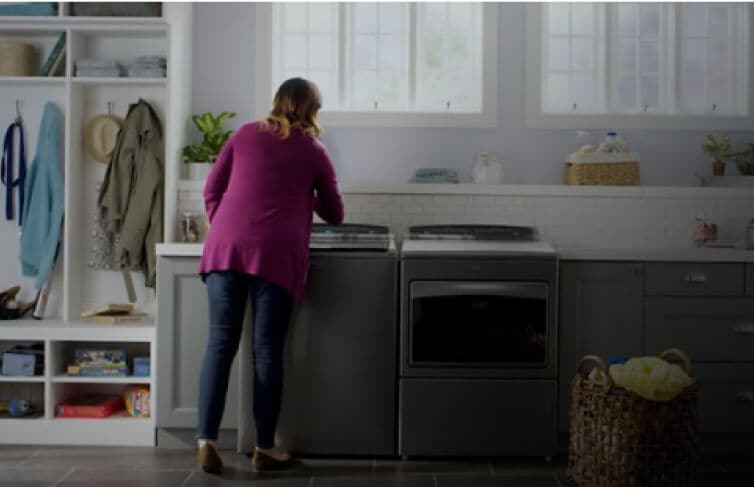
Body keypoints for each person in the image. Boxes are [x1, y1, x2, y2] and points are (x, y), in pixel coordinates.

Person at [195, 78, 344, 473]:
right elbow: (336, 214)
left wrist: (228, 227)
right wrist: (302, 191)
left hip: (226, 250)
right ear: (312, 109)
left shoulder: (244, 134)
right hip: (275, 257)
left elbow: (211, 190)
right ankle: (264, 449)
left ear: (276, 102)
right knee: (266, 354)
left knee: (219, 344)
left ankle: (206, 441)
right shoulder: (314, 152)